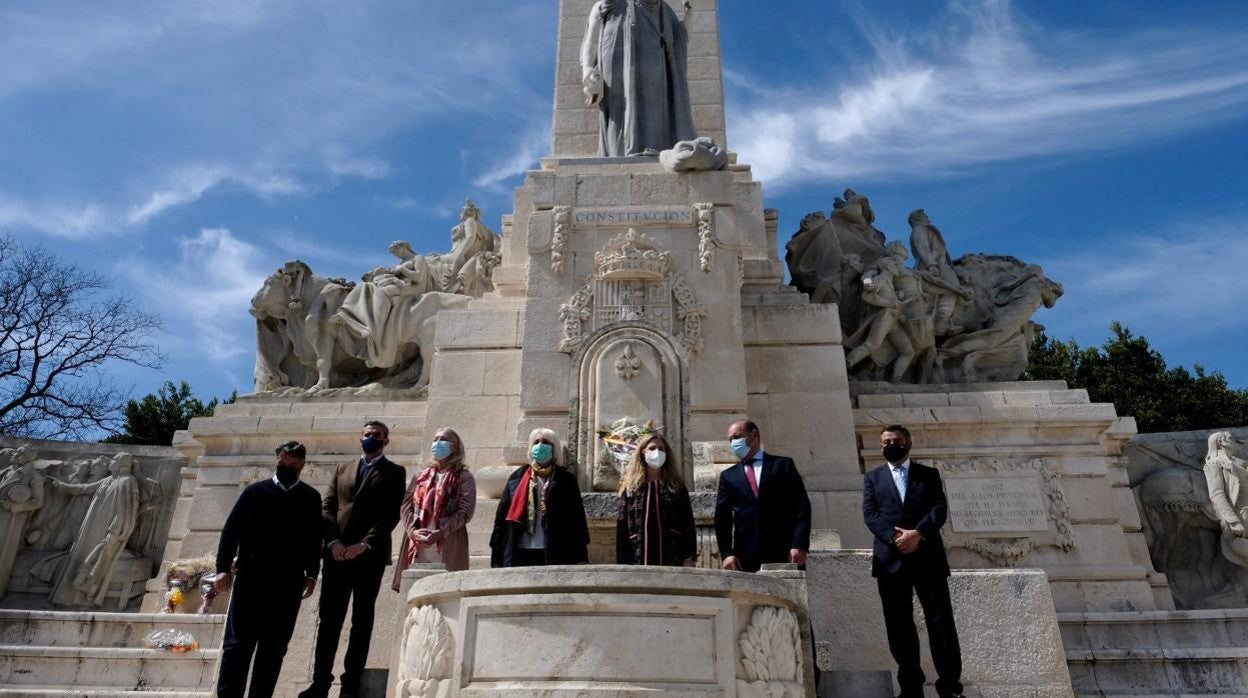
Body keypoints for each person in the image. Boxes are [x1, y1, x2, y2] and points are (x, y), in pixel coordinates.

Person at [300, 421, 406, 698]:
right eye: (368, 435)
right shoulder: (342, 468)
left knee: (362, 621)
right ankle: (320, 682)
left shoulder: (395, 472)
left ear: (386, 441)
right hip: (336, 555)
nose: (372, 439)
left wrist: (364, 544)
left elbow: (391, 514)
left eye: (378, 436)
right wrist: (333, 541)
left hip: (368, 557)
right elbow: (328, 506)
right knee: (329, 621)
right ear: (361, 438)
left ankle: (351, 683)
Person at [862, 425, 964, 698]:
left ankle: (950, 686)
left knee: (940, 623)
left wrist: (917, 534)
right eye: (885, 442)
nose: (890, 445)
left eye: (895, 441)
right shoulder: (873, 478)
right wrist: (896, 538)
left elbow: (939, 509)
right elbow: (871, 515)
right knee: (899, 626)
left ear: (908, 444)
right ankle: (910, 687)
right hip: (890, 560)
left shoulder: (928, 475)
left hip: (927, 556)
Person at [214, 441, 321, 698]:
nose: (286, 468)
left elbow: (313, 539)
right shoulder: (254, 492)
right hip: (251, 580)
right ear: (276, 459)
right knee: (237, 647)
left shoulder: (310, 497)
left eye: (292, 465)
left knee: (273, 650)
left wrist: (311, 574)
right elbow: (231, 531)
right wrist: (222, 568)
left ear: (302, 465)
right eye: (282, 463)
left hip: (288, 584)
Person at [579, 0, 696, 157]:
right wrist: (587, 68)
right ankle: (617, 156)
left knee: (653, 107)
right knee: (618, 110)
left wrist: (690, 12)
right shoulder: (605, 4)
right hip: (614, 62)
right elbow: (591, 40)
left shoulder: (660, 7)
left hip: (652, 65)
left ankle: (656, 151)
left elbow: (680, 36)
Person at [714, 419, 812, 572]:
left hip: (784, 552)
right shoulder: (729, 476)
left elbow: (801, 506)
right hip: (745, 558)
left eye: (737, 436)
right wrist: (727, 553)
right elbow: (722, 518)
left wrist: (799, 543)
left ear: (754, 436)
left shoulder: (782, 465)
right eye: (730, 439)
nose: (733, 442)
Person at [490, 428, 589, 567]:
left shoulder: (566, 480)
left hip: (555, 550)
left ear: (554, 448)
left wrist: (580, 556)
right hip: (521, 549)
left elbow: (577, 519)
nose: (540, 445)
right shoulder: (517, 478)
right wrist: (497, 554)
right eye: (536, 442)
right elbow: (502, 516)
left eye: (545, 442)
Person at [392, 427, 477, 590]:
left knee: (445, 592)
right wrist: (412, 531)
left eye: (443, 439)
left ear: (455, 447)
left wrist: (441, 533)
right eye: (435, 439)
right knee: (415, 592)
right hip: (418, 544)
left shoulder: (464, 477)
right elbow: (406, 506)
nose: (438, 443)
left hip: (447, 542)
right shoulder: (420, 476)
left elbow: (465, 511)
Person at [616, 434, 697, 566]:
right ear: (643, 453)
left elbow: (688, 523)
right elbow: (622, 528)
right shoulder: (631, 489)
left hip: (671, 556)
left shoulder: (676, 487)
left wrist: (689, 557)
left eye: (661, 449)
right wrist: (622, 562)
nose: (657, 452)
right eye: (652, 448)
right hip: (638, 556)